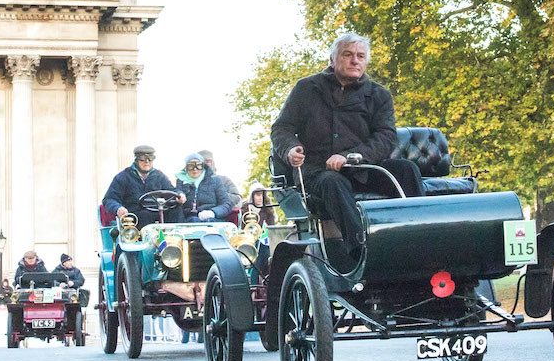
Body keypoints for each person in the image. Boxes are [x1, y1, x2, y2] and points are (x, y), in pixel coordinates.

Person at [270, 32, 421, 256]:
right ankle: (361, 250)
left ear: (366, 61)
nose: (355, 60)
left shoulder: (379, 95)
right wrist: (291, 148)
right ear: (333, 59)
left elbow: (386, 136)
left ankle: (420, 239)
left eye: (361, 56)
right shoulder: (306, 89)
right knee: (333, 182)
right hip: (317, 172)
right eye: (347, 54)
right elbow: (281, 128)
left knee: (407, 170)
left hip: (364, 168)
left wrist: (351, 156)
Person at [102, 144, 180, 228]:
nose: (147, 162)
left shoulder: (159, 176)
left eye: (150, 159)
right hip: (135, 217)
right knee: (145, 215)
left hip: (158, 213)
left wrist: (180, 194)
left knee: (177, 209)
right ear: (136, 160)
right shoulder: (123, 177)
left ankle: (178, 237)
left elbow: (172, 191)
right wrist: (118, 208)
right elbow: (109, 199)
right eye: (143, 159)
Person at [175, 153, 236, 221]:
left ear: (203, 166)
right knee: (193, 220)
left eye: (198, 165)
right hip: (188, 221)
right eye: (191, 166)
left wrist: (213, 212)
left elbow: (226, 204)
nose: (195, 169)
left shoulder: (215, 181)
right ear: (186, 168)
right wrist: (179, 194)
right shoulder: (181, 180)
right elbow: (176, 191)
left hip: (212, 220)